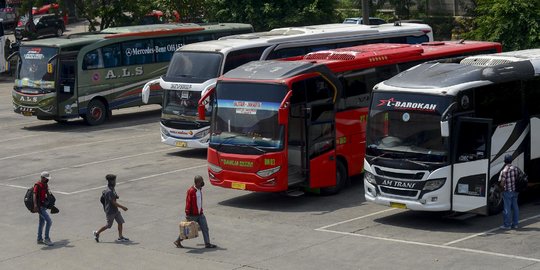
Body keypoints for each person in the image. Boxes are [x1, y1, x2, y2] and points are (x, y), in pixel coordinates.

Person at [174, 175, 217, 249]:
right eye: (201, 182)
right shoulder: (191, 191)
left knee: (205, 228)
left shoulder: (200, 189)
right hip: (192, 215)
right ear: (197, 182)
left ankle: (207, 243)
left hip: (200, 214)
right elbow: (188, 202)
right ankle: (178, 241)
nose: (203, 183)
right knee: (187, 229)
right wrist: (187, 213)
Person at [93, 174, 130, 242]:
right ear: (111, 181)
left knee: (120, 222)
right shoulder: (109, 191)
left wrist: (116, 196)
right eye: (114, 180)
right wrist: (123, 207)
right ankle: (96, 233)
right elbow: (113, 203)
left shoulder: (112, 188)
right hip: (110, 211)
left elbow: (113, 197)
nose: (115, 181)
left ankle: (120, 237)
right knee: (108, 225)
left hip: (115, 210)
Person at [498, 154, 521, 230]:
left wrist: (501, 188)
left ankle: (507, 225)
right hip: (515, 191)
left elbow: (502, 183)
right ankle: (515, 224)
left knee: (507, 208)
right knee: (515, 207)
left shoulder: (504, 171)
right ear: (511, 160)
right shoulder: (516, 168)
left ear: (505, 161)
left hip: (507, 191)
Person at [34, 171, 54, 246]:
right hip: (40, 207)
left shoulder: (45, 184)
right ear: (42, 178)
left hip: (44, 206)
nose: (47, 180)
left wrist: (51, 204)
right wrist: (35, 205)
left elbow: (47, 194)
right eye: (46, 178)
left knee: (41, 222)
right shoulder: (37, 185)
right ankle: (47, 239)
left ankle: (39, 239)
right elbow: (34, 195)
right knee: (49, 221)